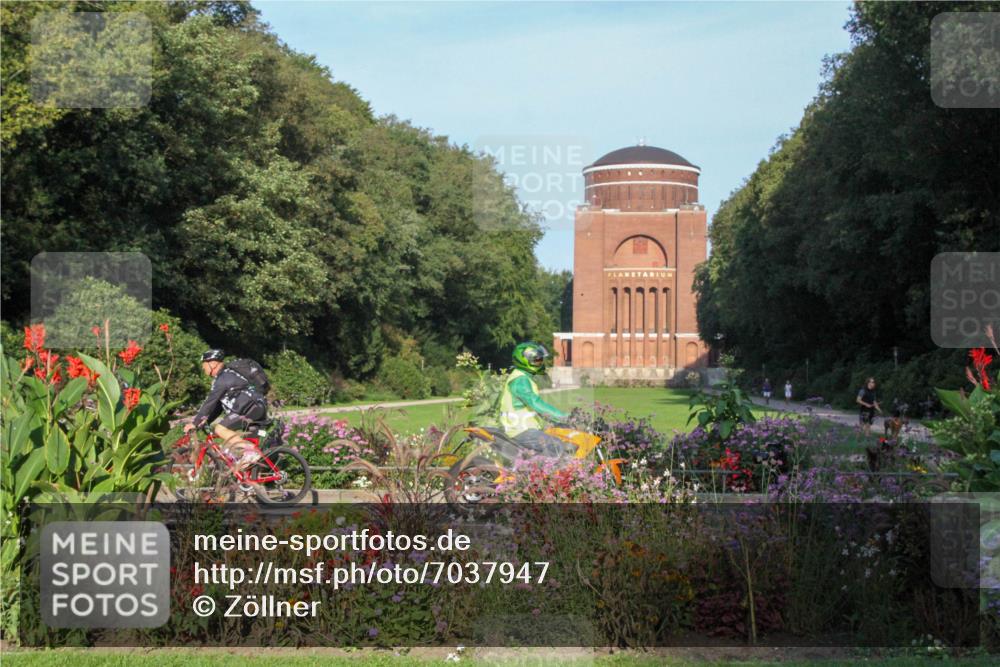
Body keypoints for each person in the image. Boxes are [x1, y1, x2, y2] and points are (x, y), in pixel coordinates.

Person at [184, 349, 268, 471]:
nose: (203, 369)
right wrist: (206, 421)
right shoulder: (226, 376)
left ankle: (251, 452)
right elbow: (217, 406)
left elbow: (210, 402)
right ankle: (248, 484)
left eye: (204, 365)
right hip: (255, 407)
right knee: (233, 445)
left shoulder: (223, 378)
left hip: (250, 409)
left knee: (220, 429)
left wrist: (194, 423)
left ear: (212, 364)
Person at [499, 342, 570, 457]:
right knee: (556, 445)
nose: (540, 363)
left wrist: (557, 421)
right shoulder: (520, 380)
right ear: (523, 360)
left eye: (541, 360)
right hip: (520, 430)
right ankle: (548, 474)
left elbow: (533, 408)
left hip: (523, 429)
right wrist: (563, 416)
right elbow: (535, 403)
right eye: (536, 360)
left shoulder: (522, 377)